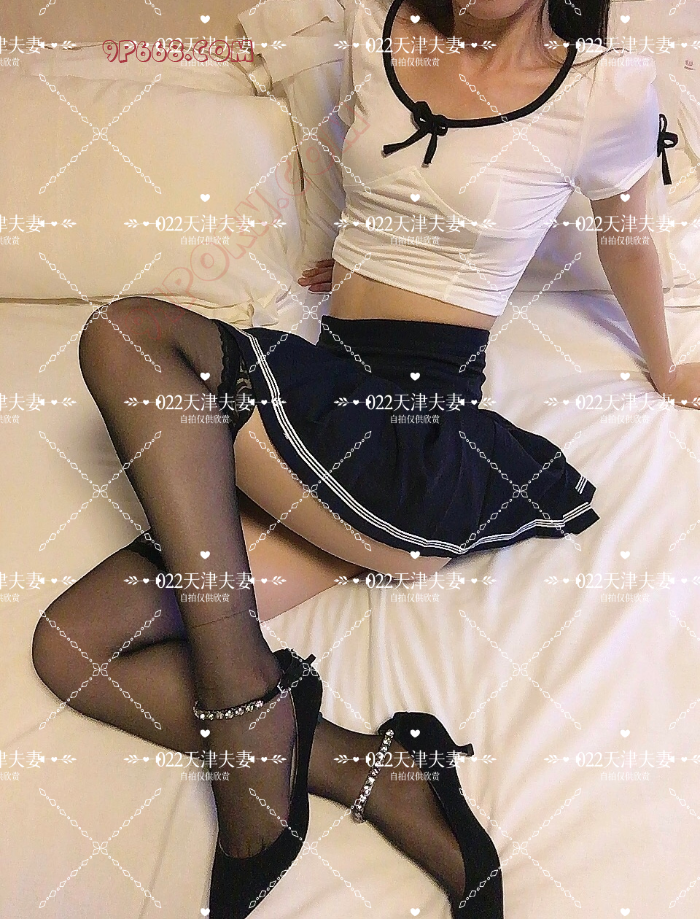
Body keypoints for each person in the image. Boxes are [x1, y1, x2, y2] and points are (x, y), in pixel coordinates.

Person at [31, 0, 699, 917]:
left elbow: (629, 240)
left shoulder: (602, 90)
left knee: (125, 337)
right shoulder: (378, 29)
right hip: (323, 428)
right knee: (73, 645)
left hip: (415, 446)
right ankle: (376, 769)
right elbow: (376, 189)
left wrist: (668, 364)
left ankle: (245, 712)